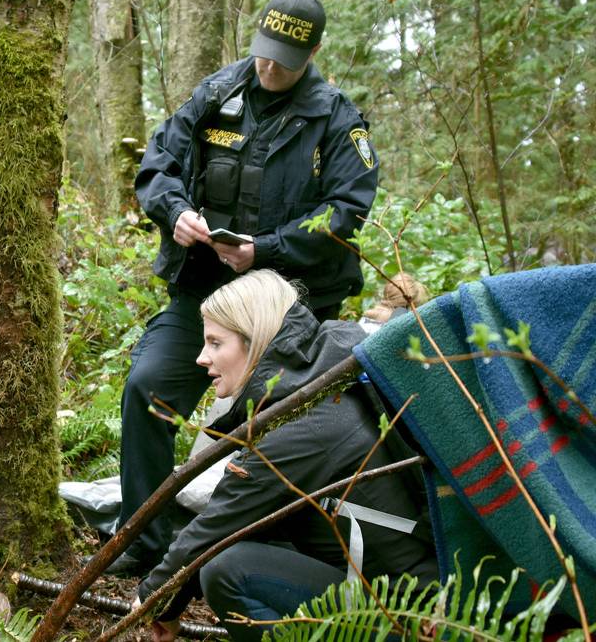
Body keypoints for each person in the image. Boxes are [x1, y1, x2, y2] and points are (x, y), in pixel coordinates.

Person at [113, 0, 379, 575]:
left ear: (310, 54)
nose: (269, 66)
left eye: (284, 57)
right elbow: (157, 163)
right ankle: (144, 542)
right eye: (263, 51)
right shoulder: (218, 93)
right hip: (207, 296)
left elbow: (347, 210)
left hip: (294, 308)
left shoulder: (336, 119)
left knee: (288, 421)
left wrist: (268, 250)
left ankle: (276, 549)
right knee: (148, 386)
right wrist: (174, 210)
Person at [134, 270, 439, 641]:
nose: (201, 358)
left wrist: (151, 601)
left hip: (416, 616)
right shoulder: (323, 377)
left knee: (228, 571)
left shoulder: (303, 424)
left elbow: (216, 525)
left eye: (216, 343)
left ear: (254, 339)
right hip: (413, 591)